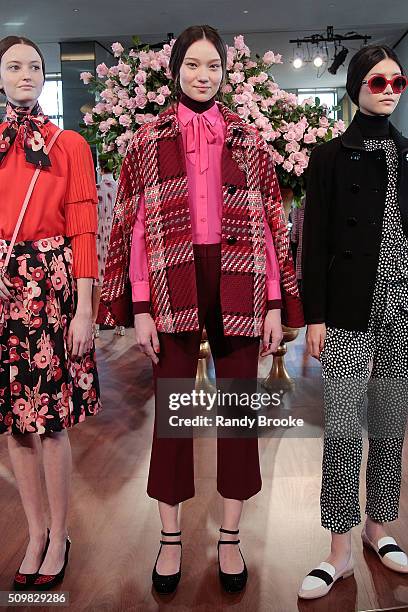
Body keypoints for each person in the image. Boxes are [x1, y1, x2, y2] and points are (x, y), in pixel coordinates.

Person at [102, 25, 303, 594]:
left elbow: (270, 224)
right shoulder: (147, 139)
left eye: (213, 66)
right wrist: (140, 305)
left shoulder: (248, 138)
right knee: (173, 416)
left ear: (224, 72)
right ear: (176, 72)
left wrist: (271, 304)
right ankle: (170, 540)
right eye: (193, 65)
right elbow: (135, 227)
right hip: (171, 279)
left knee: (239, 414)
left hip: (240, 276)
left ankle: (230, 538)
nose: (203, 75)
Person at [299, 45, 408, 599]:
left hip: (401, 307)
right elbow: (312, 242)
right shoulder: (329, 157)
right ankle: (338, 548)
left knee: (390, 425)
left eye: (398, 81)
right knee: (343, 427)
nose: (389, 90)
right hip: (347, 307)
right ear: (357, 86)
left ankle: (378, 528)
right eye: (378, 80)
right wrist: (313, 316)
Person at [0, 36, 101, 591]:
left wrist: (85, 307)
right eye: (13, 66)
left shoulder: (70, 144)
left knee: (53, 422)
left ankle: (60, 534)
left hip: (52, 290)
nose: (26, 74)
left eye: (35, 66)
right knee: (15, 425)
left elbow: (84, 228)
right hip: (2, 290)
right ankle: (35, 532)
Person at [92, 159, 124, 337]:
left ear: (99, 168)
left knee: (98, 282)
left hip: (100, 236)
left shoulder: (96, 189)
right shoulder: (119, 188)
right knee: (116, 279)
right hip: (116, 234)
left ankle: (95, 324)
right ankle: (119, 323)